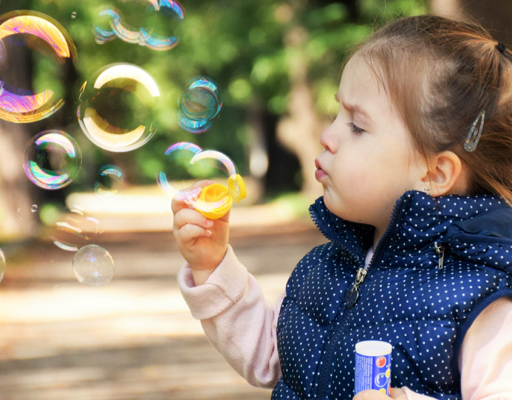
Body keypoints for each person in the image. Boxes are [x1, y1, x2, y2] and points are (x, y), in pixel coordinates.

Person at [171, 15, 512, 400]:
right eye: (337, 114)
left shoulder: (481, 297)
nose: (327, 135)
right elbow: (271, 355)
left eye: (356, 126)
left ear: (434, 173)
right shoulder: (326, 267)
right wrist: (213, 266)